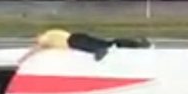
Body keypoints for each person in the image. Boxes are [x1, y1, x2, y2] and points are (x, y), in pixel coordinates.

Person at [20, 29, 152, 63]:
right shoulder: (53, 35)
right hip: (75, 37)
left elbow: (37, 48)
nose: (35, 41)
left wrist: (24, 58)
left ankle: (98, 50)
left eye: (35, 38)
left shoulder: (46, 37)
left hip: (73, 40)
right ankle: (136, 44)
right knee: (109, 43)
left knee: (96, 46)